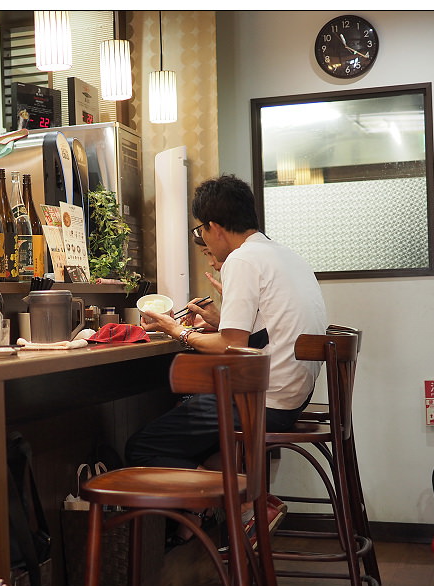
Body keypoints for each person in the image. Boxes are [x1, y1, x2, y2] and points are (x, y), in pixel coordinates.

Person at [127, 174, 327, 546]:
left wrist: (177, 331)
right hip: (291, 395)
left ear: (214, 227)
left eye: (200, 231)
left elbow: (231, 347)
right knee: (203, 432)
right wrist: (219, 322)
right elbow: (259, 334)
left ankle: (249, 505)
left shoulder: (244, 260)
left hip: (264, 399)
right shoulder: (283, 255)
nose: (201, 240)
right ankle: (228, 509)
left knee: (144, 446)